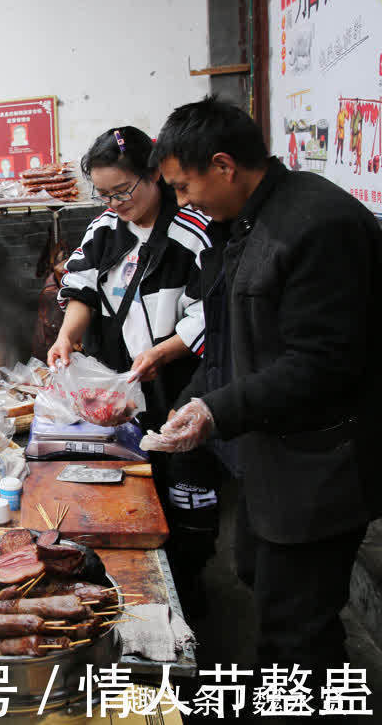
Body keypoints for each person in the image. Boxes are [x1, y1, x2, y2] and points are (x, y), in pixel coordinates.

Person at [149, 96, 382, 698]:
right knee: (258, 576)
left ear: (223, 165)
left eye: (183, 186)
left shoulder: (316, 225)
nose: (182, 202)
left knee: (298, 628)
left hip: (324, 466)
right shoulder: (245, 224)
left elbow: (324, 362)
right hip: (269, 457)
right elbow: (228, 340)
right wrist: (193, 400)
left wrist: (215, 411)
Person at [47, 126, 221, 614]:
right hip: (126, 390)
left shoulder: (193, 232)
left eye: (121, 191)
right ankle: (139, 584)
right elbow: (81, 288)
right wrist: (66, 335)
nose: (113, 203)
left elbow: (209, 313)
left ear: (154, 176)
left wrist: (163, 352)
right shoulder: (104, 230)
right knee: (133, 489)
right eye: (102, 194)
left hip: (181, 384)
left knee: (186, 489)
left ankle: (191, 586)